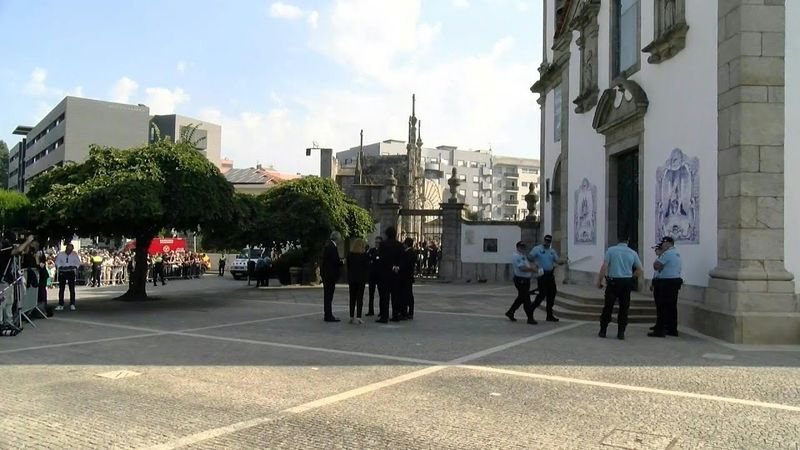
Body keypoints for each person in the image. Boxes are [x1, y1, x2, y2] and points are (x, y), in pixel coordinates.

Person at [596, 235, 643, 340]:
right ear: (628, 241)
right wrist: (632, 278)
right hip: (626, 282)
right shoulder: (632, 252)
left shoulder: (611, 250)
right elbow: (640, 269)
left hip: (613, 282)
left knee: (608, 306)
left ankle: (603, 330)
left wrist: (600, 281)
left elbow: (604, 266)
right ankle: (621, 332)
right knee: (624, 308)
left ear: (617, 240)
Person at [1, 233, 35, 332]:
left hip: (9, 280)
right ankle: (1, 322)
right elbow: (19, 250)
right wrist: (27, 241)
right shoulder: (4, 250)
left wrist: (27, 243)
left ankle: (8, 322)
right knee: (2, 303)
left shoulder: (8, 249)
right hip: (3, 280)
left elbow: (23, 251)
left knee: (10, 302)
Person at [649, 236, 682, 337]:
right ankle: (672, 329)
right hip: (674, 281)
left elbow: (656, 266)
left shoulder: (667, 253)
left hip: (666, 282)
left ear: (668, 243)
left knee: (662, 306)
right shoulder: (676, 253)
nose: (662, 245)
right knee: (671, 307)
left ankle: (660, 330)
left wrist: (658, 261)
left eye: (663, 243)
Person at [528, 234, 562, 322]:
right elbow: (530, 257)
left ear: (550, 242)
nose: (547, 243)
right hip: (542, 274)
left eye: (549, 241)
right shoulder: (537, 249)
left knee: (552, 293)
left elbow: (557, 260)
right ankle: (530, 311)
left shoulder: (552, 251)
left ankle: (549, 315)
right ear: (544, 240)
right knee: (542, 294)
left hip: (550, 275)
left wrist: (562, 261)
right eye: (546, 241)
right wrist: (534, 262)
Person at [506, 241, 539, 324]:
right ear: (517, 247)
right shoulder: (517, 257)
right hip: (521, 280)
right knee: (526, 299)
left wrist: (533, 267)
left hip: (525, 280)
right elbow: (522, 268)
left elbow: (527, 265)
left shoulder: (522, 255)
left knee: (521, 298)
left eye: (524, 247)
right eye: (521, 247)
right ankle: (530, 318)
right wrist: (533, 269)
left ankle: (510, 312)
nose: (523, 248)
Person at [377, 227, 404, 324]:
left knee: (385, 296)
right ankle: (395, 315)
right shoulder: (400, 245)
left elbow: (382, 259)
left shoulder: (383, 244)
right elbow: (402, 259)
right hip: (396, 274)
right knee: (395, 295)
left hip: (385, 273)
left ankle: (384, 316)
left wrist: (391, 266)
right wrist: (397, 267)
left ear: (387, 234)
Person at [321, 231, 343, 322]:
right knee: (329, 295)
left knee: (327, 295)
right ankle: (328, 315)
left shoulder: (328, 246)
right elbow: (334, 262)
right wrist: (342, 262)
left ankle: (327, 314)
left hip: (326, 274)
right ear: (337, 238)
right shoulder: (332, 247)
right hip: (330, 275)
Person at [346, 238, 369, 324]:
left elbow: (348, 267)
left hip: (352, 278)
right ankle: (359, 316)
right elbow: (367, 268)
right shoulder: (364, 255)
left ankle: (351, 316)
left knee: (352, 297)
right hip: (361, 279)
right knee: (359, 298)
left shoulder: (350, 255)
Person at [55, 242, 81, 311]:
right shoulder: (61, 254)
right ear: (66, 248)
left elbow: (78, 262)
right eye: (68, 249)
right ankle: (61, 304)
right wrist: (60, 267)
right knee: (61, 288)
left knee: (72, 288)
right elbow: (57, 262)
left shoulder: (74, 254)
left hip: (70, 271)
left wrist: (75, 266)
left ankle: (72, 304)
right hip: (63, 272)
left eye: (71, 250)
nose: (69, 251)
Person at [400, 237, 417, 319]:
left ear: (406, 244)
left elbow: (405, 265)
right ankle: (409, 312)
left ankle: (406, 312)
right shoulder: (411, 252)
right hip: (409, 276)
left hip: (406, 276)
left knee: (406, 294)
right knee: (409, 294)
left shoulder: (409, 253)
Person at [366, 237, 382, 316]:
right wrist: (375, 258)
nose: (377, 244)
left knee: (381, 294)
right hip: (372, 274)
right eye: (376, 242)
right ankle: (370, 310)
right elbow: (368, 258)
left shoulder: (382, 251)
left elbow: (380, 259)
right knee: (371, 294)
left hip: (379, 275)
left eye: (378, 242)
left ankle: (381, 311)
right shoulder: (371, 250)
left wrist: (374, 258)